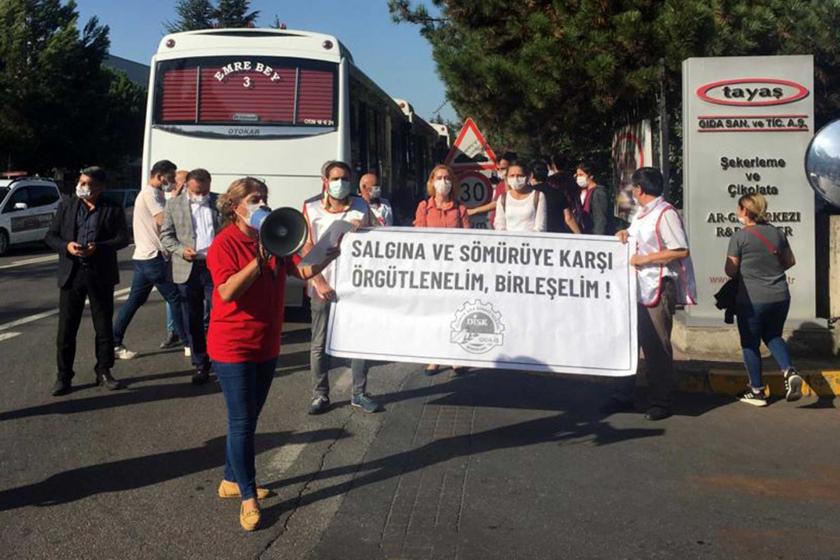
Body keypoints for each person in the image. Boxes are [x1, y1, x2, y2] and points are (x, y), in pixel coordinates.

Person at [208, 177, 340, 531]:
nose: (262, 203)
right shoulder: (225, 243)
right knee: (242, 422)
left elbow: (302, 271)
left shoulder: (275, 237)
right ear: (236, 207)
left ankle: (229, 480)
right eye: (254, 199)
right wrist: (258, 259)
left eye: (264, 198)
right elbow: (227, 293)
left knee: (249, 416)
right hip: (232, 345)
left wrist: (330, 253)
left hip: (266, 343)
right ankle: (248, 496)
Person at [609, 167, 696, 421]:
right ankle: (624, 393)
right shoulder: (642, 214)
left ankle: (661, 400)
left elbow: (680, 250)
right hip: (636, 285)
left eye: (633, 187)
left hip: (657, 284)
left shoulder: (665, 213)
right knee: (629, 342)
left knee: (656, 344)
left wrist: (645, 259)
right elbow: (638, 239)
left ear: (639, 189)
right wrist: (625, 235)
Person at [302, 161, 382, 415]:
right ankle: (320, 395)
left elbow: (378, 238)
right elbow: (306, 245)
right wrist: (318, 281)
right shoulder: (311, 207)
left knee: (358, 341)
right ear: (325, 181)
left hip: (355, 286)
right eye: (335, 178)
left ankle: (359, 393)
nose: (340, 183)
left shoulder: (361, 205)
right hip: (323, 286)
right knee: (319, 343)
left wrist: (366, 229)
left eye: (345, 178)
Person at [45, 167, 129, 396]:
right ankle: (64, 376)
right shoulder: (68, 205)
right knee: (66, 328)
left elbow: (123, 238)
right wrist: (67, 246)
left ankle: (103, 371)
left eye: (87, 183)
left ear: (100, 187)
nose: (82, 186)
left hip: (100, 272)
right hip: (72, 273)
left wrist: (98, 248)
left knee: (103, 326)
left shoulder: (111, 206)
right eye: (81, 182)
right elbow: (50, 236)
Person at [724, 193, 803, 406]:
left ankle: (757, 391)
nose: (737, 212)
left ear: (745, 211)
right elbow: (790, 261)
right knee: (773, 335)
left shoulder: (739, 237)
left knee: (750, 343)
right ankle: (789, 370)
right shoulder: (777, 233)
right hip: (780, 296)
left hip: (752, 300)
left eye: (739, 209)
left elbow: (731, 271)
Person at [112, 160, 187, 359]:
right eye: (170, 177)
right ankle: (188, 343)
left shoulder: (157, 193)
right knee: (175, 298)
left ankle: (114, 342)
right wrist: (175, 200)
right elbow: (163, 220)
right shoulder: (150, 194)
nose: (172, 181)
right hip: (153, 256)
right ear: (160, 175)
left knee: (135, 301)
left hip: (145, 255)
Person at [160, 168, 221, 385]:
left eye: (204, 191)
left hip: (216, 267)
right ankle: (200, 363)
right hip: (188, 267)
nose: (201, 195)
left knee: (219, 315)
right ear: (187, 185)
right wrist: (180, 250)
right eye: (196, 191)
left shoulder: (221, 202)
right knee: (192, 318)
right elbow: (166, 236)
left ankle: (220, 359)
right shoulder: (173, 205)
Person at [415, 164, 470, 374]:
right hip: (431, 270)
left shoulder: (461, 208)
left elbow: (469, 240)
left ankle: (456, 356)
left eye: (447, 178)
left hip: (455, 271)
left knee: (455, 313)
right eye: (439, 178)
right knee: (434, 314)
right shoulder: (423, 207)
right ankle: (434, 357)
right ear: (431, 182)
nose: (443, 182)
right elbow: (418, 236)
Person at [161, 169, 190, 351]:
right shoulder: (171, 202)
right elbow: (165, 227)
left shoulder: (192, 202)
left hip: (187, 258)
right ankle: (176, 332)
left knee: (181, 299)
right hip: (173, 256)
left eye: (177, 181)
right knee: (174, 298)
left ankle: (184, 334)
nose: (174, 184)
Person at [467, 151, 517, 227]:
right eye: (498, 169)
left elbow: (502, 202)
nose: (500, 171)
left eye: (503, 168)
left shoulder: (517, 186)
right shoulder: (500, 185)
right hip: (496, 226)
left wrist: (475, 211)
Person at [493, 161, 547, 232]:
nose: (516, 179)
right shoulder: (503, 198)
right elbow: (499, 224)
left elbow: (540, 227)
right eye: (512, 176)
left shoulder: (538, 196)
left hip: (531, 241)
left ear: (528, 177)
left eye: (520, 175)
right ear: (507, 178)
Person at [530, 160, 580, 234]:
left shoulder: (530, 194)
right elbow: (568, 217)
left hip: (535, 236)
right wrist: (579, 234)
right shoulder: (558, 193)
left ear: (531, 175)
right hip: (556, 235)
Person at [575, 161, 612, 235]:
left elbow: (600, 220)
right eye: (577, 175)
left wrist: (596, 240)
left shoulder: (598, 192)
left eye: (581, 175)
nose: (578, 178)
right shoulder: (589, 191)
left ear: (591, 176)